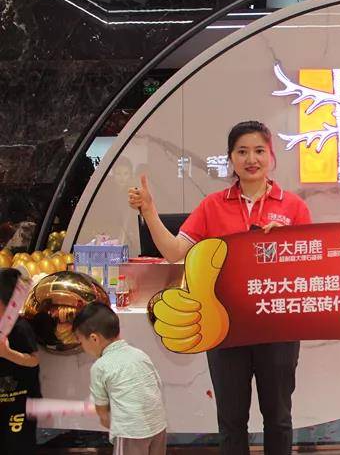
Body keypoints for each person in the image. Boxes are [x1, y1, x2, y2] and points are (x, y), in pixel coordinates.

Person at [128, 120, 311, 455]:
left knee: (279, 419)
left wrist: (286, 243)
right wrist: (150, 211)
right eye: (242, 152)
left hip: (277, 326)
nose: (251, 159)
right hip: (223, 325)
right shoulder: (212, 206)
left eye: (259, 151)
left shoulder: (293, 206)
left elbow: (309, 267)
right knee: (230, 422)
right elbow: (175, 252)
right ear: (231, 158)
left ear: (271, 156)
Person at [73, 302, 167, 455]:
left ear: (94, 338)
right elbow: (157, 386)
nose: (81, 347)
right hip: (158, 426)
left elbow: (102, 411)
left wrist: (105, 418)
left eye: (80, 341)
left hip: (131, 433)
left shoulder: (100, 366)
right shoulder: (140, 355)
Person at [0, 267, 40, 455]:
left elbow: (34, 361)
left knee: (18, 444)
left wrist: (7, 353)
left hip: (20, 402)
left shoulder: (20, 328)